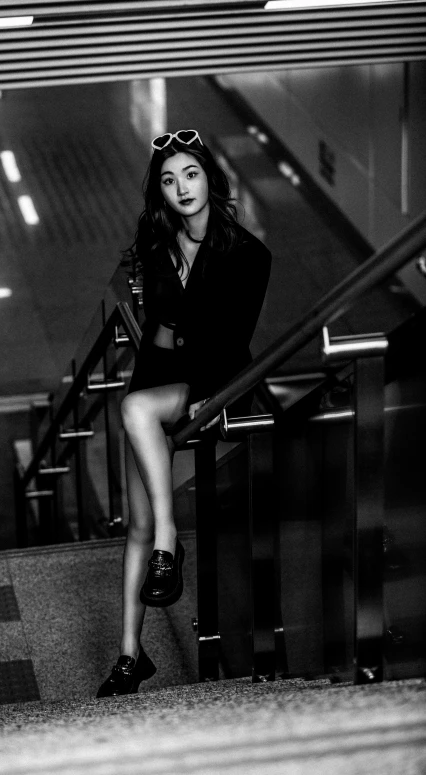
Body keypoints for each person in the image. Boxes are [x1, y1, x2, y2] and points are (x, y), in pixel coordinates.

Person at [96, 129, 271, 698]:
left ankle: (173, 542)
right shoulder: (157, 243)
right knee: (137, 524)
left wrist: (196, 370)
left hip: (213, 385)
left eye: (190, 174)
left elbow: (230, 344)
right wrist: (173, 326)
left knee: (135, 406)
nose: (181, 188)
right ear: (161, 192)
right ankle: (130, 654)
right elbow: (163, 339)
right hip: (162, 378)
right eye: (169, 180)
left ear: (210, 178)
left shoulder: (248, 256)